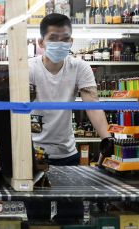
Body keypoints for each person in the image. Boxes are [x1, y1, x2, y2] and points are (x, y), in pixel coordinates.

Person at [30, 13, 110, 166]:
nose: (60, 44)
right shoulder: (29, 69)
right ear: (41, 42)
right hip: (32, 152)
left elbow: (92, 105)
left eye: (65, 39)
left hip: (67, 154)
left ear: (71, 41)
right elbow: (18, 108)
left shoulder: (80, 67)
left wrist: (107, 138)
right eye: (53, 38)